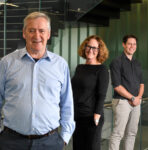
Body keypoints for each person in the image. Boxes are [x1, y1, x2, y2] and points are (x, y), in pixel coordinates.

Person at [0, 11, 75, 150]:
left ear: (48, 34)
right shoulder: (6, 63)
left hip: (50, 143)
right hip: (11, 142)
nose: (37, 36)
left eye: (41, 31)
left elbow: (67, 104)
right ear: (24, 33)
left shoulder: (60, 65)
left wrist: (64, 138)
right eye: (31, 30)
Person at [71, 35, 109, 150]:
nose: (90, 50)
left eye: (94, 48)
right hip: (77, 116)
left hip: (92, 117)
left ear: (99, 51)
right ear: (84, 47)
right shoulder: (80, 68)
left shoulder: (102, 70)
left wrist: (97, 115)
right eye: (88, 46)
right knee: (77, 147)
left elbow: (101, 94)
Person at [109, 35, 144, 150]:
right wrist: (133, 98)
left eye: (134, 44)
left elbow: (141, 84)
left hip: (136, 103)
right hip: (122, 102)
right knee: (118, 134)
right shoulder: (116, 62)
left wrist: (138, 97)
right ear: (123, 44)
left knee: (132, 134)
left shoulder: (137, 63)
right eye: (129, 44)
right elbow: (117, 86)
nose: (132, 46)